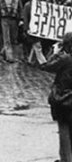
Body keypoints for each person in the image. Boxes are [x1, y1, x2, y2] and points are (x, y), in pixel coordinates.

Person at [41, 33, 72, 162]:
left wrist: (55, 52)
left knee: (64, 133)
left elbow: (47, 65)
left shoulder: (65, 59)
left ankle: (66, 159)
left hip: (65, 98)